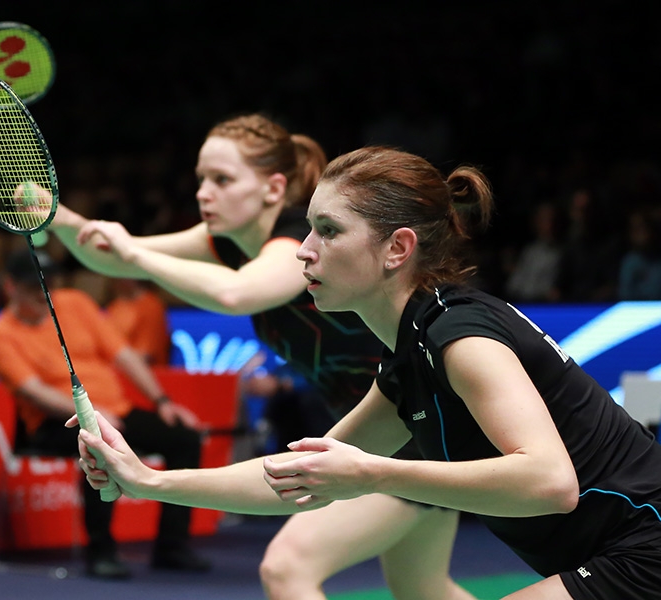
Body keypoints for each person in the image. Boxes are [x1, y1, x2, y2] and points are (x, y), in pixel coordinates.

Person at [73, 146, 661, 599]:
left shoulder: (460, 335)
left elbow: (548, 481)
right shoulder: (408, 359)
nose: (304, 251)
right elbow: (297, 477)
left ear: (397, 248)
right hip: (658, 560)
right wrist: (150, 482)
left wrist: (373, 473)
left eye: (328, 231)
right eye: (308, 228)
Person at [45, 114, 473, 600]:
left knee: (287, 569)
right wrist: (54, 216)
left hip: (407, 434)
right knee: (423, 588)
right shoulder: (227, 243)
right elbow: (111, 255)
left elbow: (236, 293)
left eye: (222, 180)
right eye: (201, 179)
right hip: (376, 427)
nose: (204, 193)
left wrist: (135, 254)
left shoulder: (301, 240)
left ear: (273, 188)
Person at [0, 248, 210, 579]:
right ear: (10, 287)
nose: (43, 293)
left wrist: (162, 401)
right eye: (33, 287)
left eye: (48, 284)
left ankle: (172, 547)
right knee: (98, 442)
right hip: (56, 422)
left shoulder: (75, 303)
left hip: (116, 411)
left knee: (183, 438)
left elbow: (124, 355)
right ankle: (100, 551)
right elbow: (34, 391)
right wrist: (92, 412)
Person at [104, 278, 171, 365]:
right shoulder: (114, 305)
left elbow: (145, 357)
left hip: (144, 371)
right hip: (112, 369)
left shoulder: (151, 307)